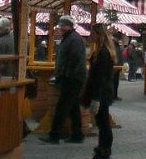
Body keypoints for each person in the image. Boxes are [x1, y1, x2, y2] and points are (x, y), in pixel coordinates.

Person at [40, 14, 88, 144]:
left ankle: (54, 135)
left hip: (72, 78)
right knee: (73, 107)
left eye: (62, 25)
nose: (60, 27)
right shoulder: (70, 38)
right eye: (60, 25)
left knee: (62, 107)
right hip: (73, 77)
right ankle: (77, 134)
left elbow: (75, 59)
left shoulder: (73, 39)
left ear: (68, 26)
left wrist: (65, 75)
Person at [81, 24, 117, 158]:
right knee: (102, 121)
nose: (90, 36)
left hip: (101, 93)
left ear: (98, 35)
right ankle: (103, 147)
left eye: (92, 33)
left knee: (103, 122)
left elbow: (100, 78)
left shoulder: (102, 53)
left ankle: (104, 149)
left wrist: (96, 98)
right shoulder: (102, 51)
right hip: (102, 92)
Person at [111, 31, 123, 99]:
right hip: (114, 66)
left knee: (115, 82)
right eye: (119, 38)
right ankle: (112, 95)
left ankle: (114, 95)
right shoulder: (113, 44)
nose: (120, 40)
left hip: (117, 66)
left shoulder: (116, 44)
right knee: (113, 82)